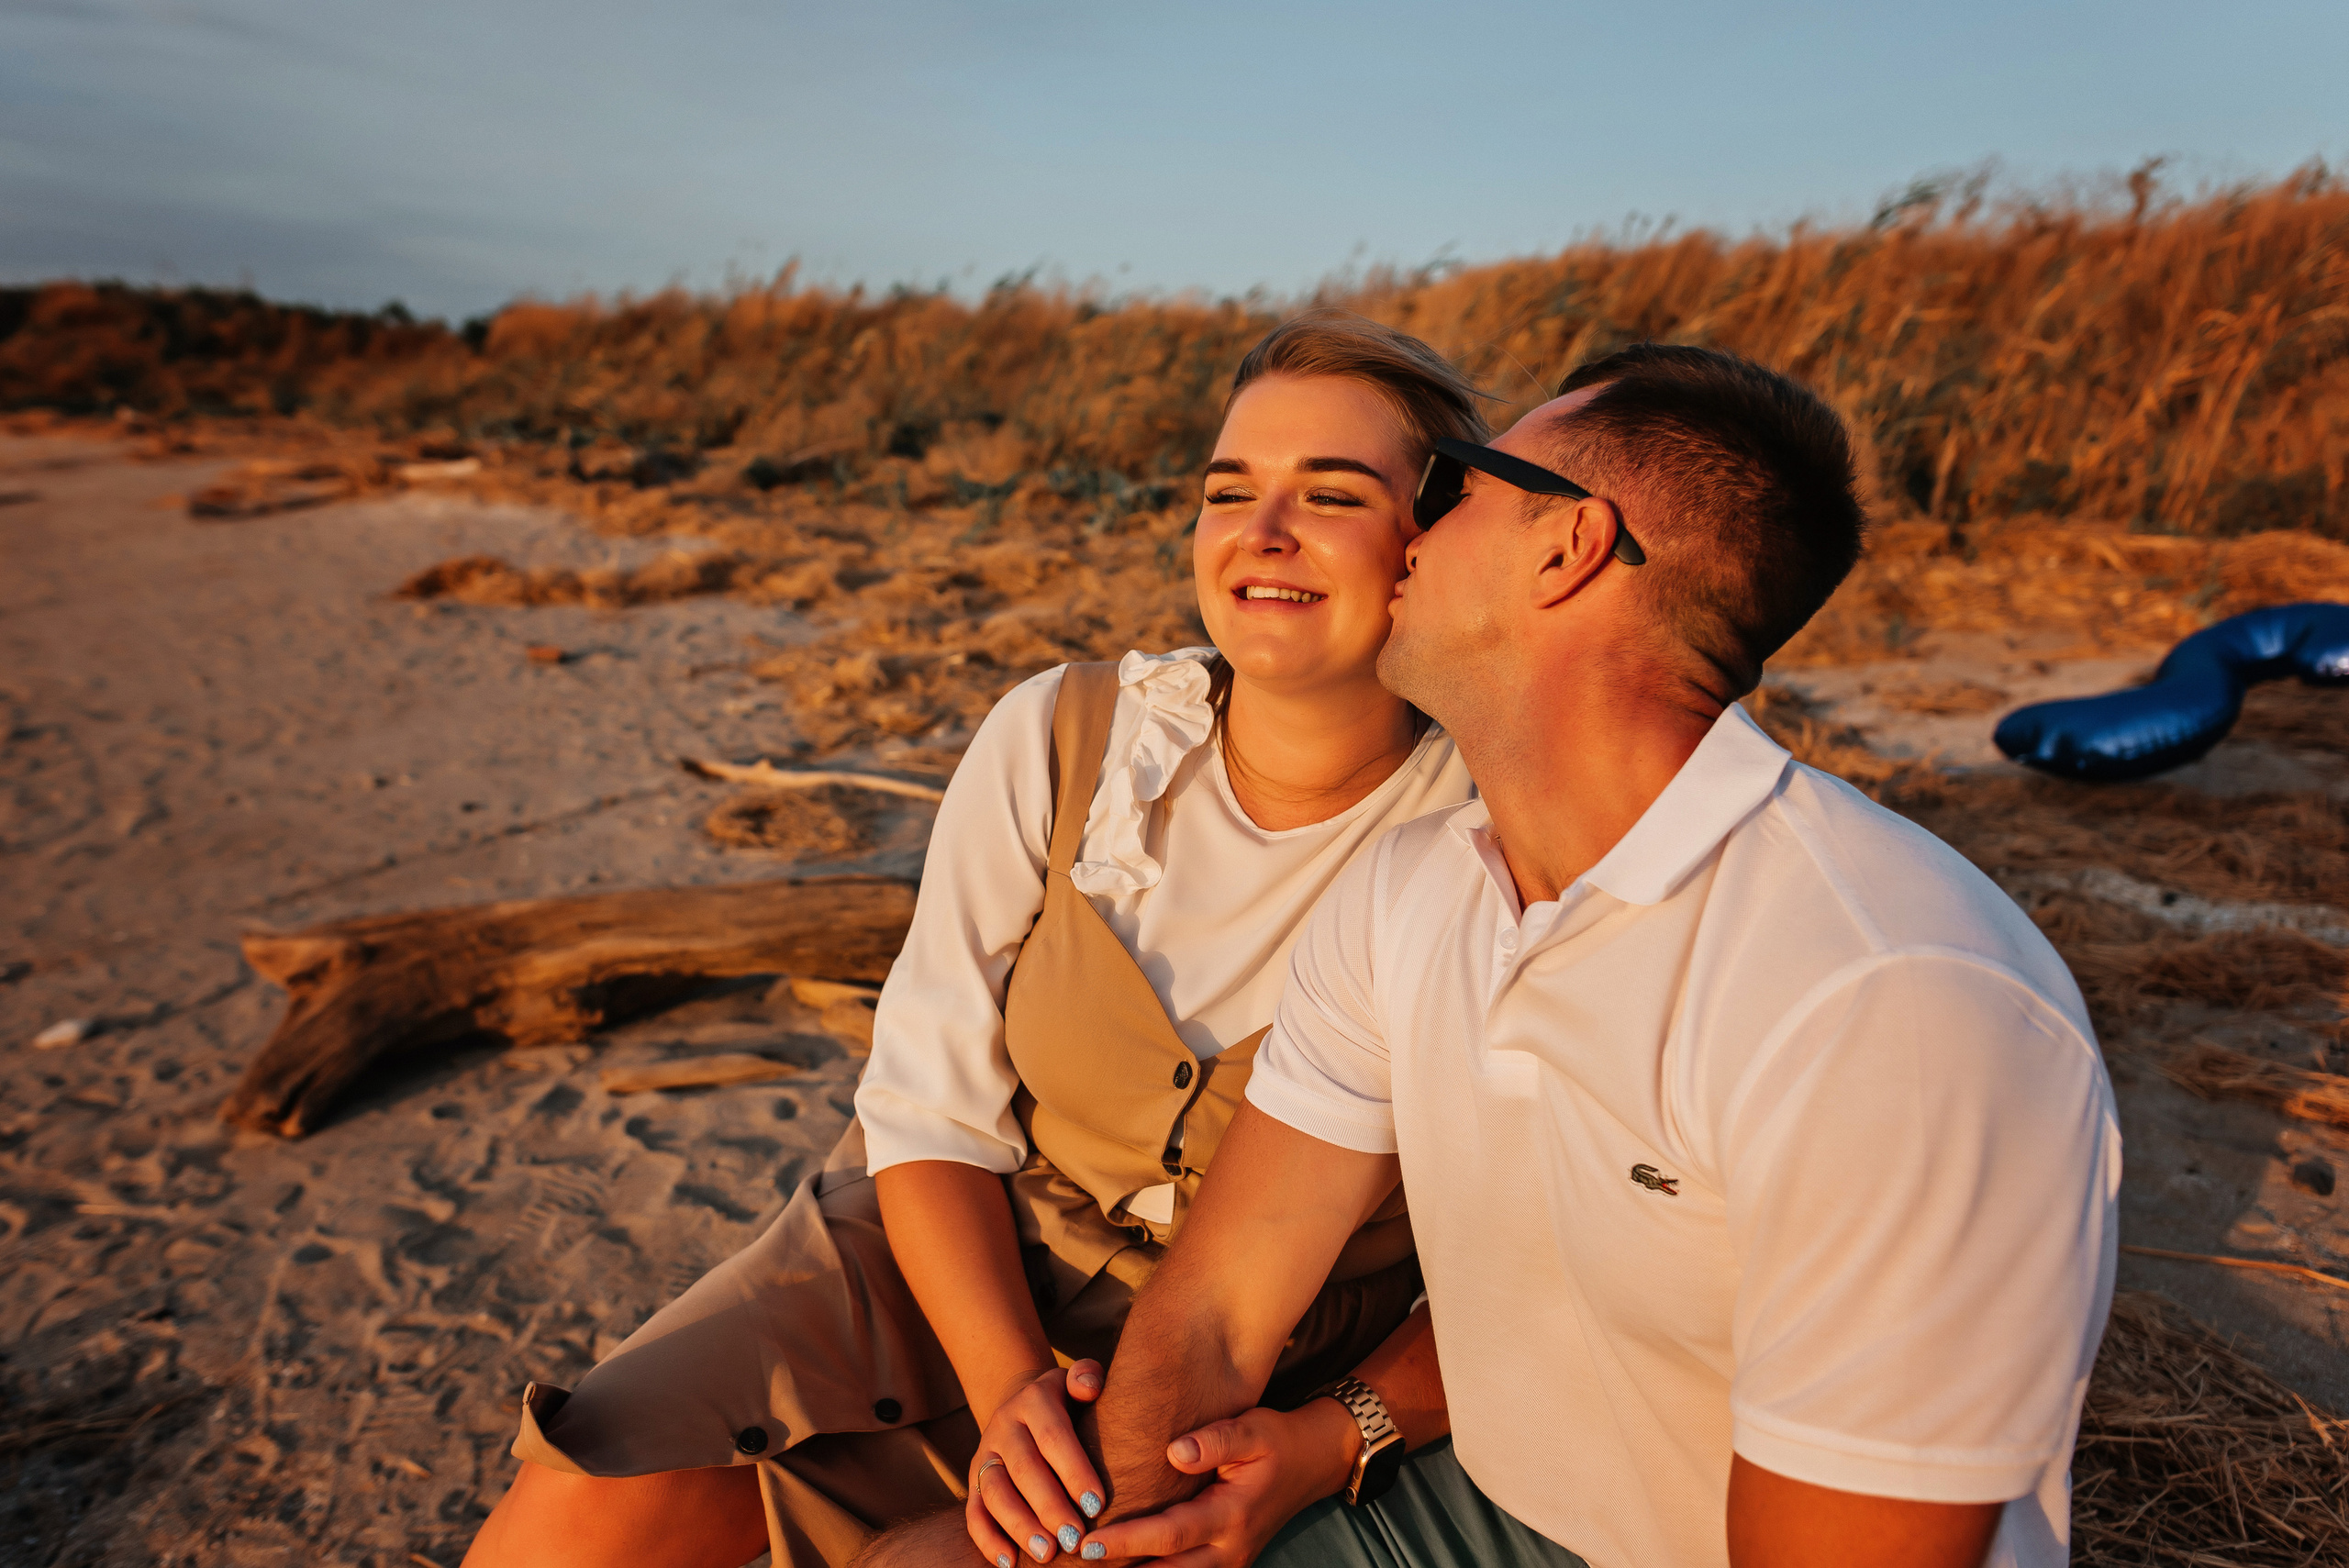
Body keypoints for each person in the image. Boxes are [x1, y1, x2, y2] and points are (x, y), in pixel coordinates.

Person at [1045, 345, 2120, 1568]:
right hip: (1476, 1509)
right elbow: (1219, 1309)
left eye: (1448, 484)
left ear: (1571, 546)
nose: (1406, 528)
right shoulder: (1414, 894)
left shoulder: (1886, 1002)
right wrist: (1120, 1537)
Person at [461, 311, 1489, 1568]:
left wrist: (1344, 1429)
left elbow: (1548, 1264)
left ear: (1429, 541)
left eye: (1328, 494)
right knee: (582, 1502)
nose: (1260, 534)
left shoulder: (1494, 845)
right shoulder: (1063, 735)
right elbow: (927, 1107)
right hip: (933, 1264)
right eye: (1230, 492)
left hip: (1228, 1396)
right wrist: (1008, 1386)